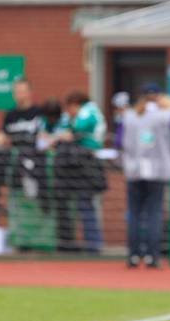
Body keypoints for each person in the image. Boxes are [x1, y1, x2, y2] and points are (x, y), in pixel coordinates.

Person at [121, 89, 170, 268]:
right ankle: (152, 256)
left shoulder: (129, 116)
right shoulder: (164, 116)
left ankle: (133, 255)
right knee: (154, 213)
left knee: (135, 214)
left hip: (134, 170)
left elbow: (119, 141)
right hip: (157, 170)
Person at [52, 91, 107, 252]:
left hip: (87, 163)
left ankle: (93, 244)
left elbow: (76, 128)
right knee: (77, 205)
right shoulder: (78, 114)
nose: (68, 112)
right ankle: (78, 243)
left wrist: (63, 133)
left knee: (86, 204)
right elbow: (61, 129)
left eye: (70, 108)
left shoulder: (88, 110)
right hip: (77, 162)